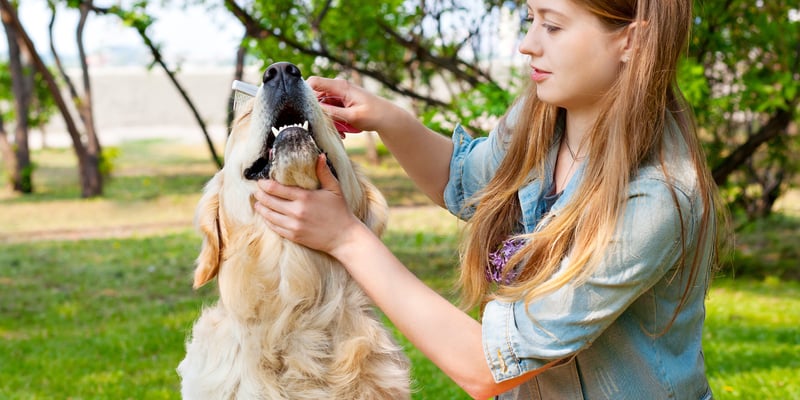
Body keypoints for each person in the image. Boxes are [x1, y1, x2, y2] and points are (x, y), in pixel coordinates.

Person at [254, 0, 726, 398]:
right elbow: (465, 181)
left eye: (553, 25)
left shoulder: (656, 198)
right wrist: (387, 118)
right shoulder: (544, 115)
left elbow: (486, 367)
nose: (529, 44)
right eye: (530, 19)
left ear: (633, 41)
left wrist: (347, 239)